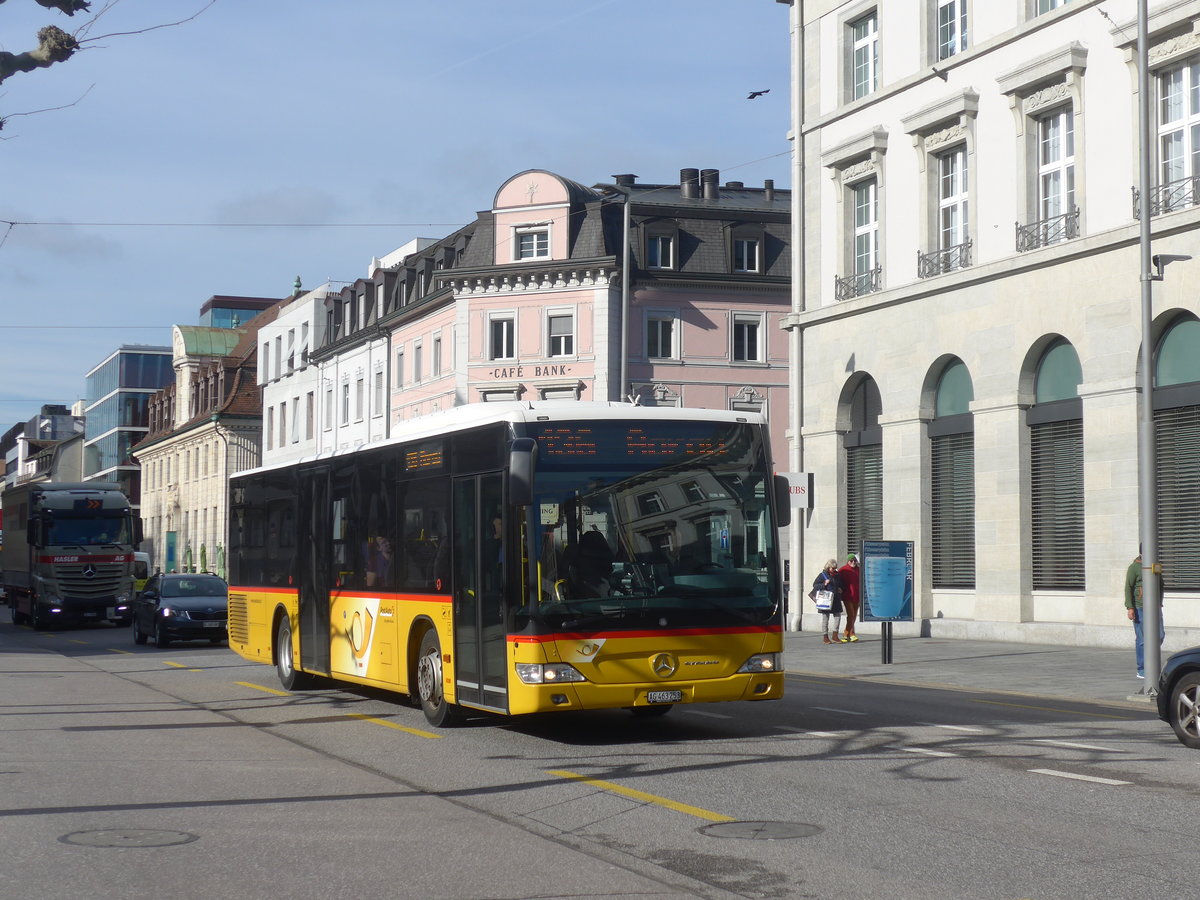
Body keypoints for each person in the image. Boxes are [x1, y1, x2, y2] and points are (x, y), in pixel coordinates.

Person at [1125, 549, 1164, 680]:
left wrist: (1160, 602)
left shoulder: (1155, 565)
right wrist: (1130, 607)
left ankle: (1152, 665)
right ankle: (1142, 669)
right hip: (1139, 607)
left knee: (1159, 635)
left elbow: (1161, 584)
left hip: (1154, 607)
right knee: (1142, 640)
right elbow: (1128, 587)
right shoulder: (1134, 567)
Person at [810, 558, 845, 644]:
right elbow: (815, 585)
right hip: (826, 599)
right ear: (828, 567)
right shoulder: (822, 575)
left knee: (838, 616)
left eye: (835, 568)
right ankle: (825, 637)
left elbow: (841, 584)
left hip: (836, 598)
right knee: (825, 618)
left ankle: (835, 635)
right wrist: (824, 584)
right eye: (832, 568)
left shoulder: (837, 575)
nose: (834, 570)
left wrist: (841, 589)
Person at [837, 553, 861, 642]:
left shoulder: (859, 570)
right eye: (851, 560)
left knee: (854, 615)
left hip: (857, 596)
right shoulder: (843, 570)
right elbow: (838, 581)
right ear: (848, 561)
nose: (853, 562)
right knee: (850, 615)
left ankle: (848, 634)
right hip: (847, 596)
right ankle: (849, 634)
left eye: (855, 560)